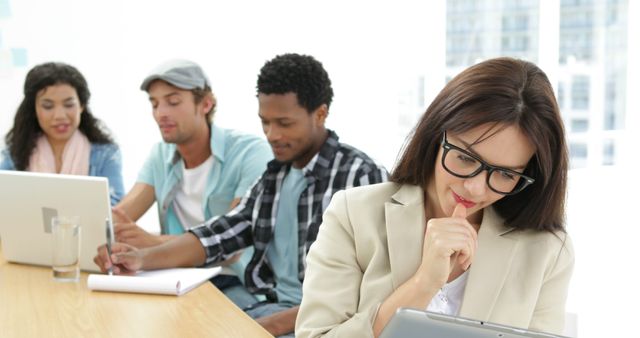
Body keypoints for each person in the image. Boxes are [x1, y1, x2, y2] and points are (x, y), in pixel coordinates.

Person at [94, 53, 388, 337]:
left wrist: (264, 327)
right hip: (264, 307)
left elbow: (367, 294)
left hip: (320, 325)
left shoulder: (361, 177)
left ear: (320, 114)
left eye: (284, 123)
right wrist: (141, 259)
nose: (272, 135)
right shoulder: (274, 176)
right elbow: (218, 234)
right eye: (265, 122)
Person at [295, 57, 574, 337]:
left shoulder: (547, 251)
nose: (476, 188)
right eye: (465, 158)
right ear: (435, 135)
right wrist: (423, 283)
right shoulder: (355, 215)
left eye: (505, 174)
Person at [111, 59, 272, 291]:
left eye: (173, 102)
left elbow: (231, 246)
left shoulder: (251, 153)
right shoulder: (160, 155)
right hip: (175, 276)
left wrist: (154, 245)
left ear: (206, 104)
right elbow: (120, 217)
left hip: (233, 281)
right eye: (154, 104)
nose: (160, 113)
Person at [0, 62, 124, 205]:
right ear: (34, 109)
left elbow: (116, 207)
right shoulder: (15, 154)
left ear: (82, 105)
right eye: (48, 106)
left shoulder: (106, 154)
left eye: (69, 105)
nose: (59, 115)